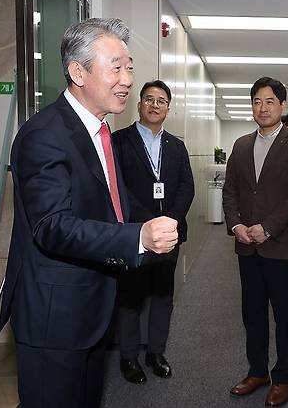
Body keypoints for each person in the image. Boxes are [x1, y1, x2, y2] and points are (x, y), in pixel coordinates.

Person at [0, 18, 179, 408]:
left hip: (93, 308)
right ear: (77, 72)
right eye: (116, 67)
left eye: (129, 66)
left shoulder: (99, 132)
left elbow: (110, 205)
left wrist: (143, 225)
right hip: (55, 315)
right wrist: (136, 238)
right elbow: (51, 226)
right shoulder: (44, 135)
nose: (128, 79)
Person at [223, 77, 288, 407]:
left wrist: (267, 227)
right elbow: (230, 191)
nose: (263, 107)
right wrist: (236, 226)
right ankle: (257, 370)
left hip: (281, 247)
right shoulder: (242, 144)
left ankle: (283, 377)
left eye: (270, 101)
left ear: (282, 106)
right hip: (247, 245)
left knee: (283, 315)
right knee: (252, 313)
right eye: (257, 101)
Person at [112, 80, 194, 384]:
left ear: (168, 109)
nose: (155, 105)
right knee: (130, 296)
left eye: (161, 101)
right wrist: (149, 223)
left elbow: (187, 186)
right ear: (139, 105)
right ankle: (129, 357)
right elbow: (118, 188)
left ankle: (156, 352)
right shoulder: (120, 141)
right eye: (149, 99)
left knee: (163, 295)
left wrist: (170, 220)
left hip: (170, 234)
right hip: (134, 234)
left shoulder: (177, 145)